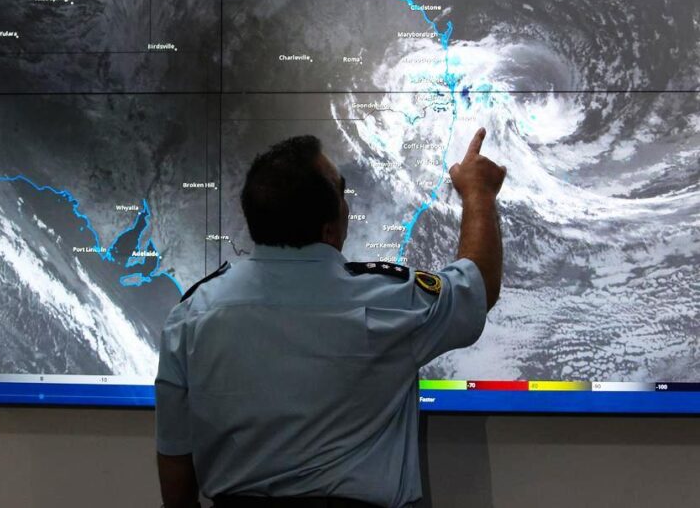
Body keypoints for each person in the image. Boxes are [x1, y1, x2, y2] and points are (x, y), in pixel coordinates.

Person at [155, 129, 506, 508]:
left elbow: (175, 456)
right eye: (342, 190)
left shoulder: (190, 316)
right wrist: (478, 192)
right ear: (330, 228)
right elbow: (478, 286)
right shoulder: (391, 301)